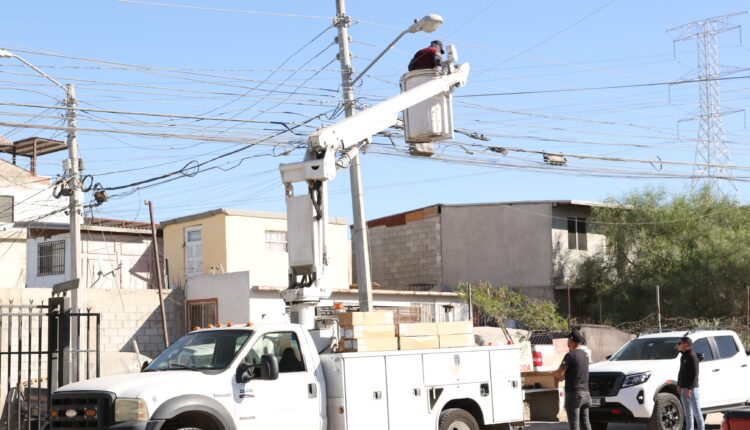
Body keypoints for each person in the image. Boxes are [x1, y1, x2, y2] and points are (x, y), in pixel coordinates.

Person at [552, 330, 592, 430]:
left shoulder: (570, 355)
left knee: (575, 425)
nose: (567, 342)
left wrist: (551, 373)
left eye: (568, 339)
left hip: (574, 395)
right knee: (586, 423)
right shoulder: (585, 355)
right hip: (586, 394)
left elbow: (559, 373)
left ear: (571, 340)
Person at [678, 337, 704, 430]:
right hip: (683, 388)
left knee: (697, 414)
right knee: (688, 414)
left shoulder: (692, 356)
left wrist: (689, 388)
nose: (678, 345)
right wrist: (679, 384)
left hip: (691, 389)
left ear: (685, 344)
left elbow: (695, 374)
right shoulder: (683, 357)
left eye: (680, 343)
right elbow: (681, 372)